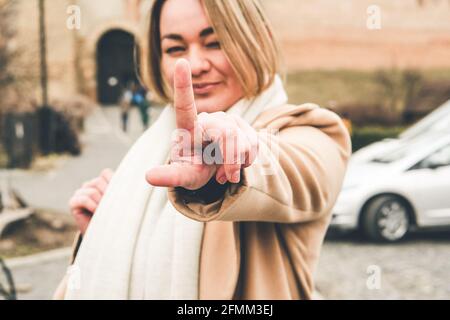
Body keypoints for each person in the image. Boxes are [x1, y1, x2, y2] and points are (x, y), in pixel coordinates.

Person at [54, 0, 351, 300]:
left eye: (215, 43)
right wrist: (105, 234)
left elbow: (291, 171)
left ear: (260, 40)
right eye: (175, 49)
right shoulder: (152, 150)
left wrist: (229, 162)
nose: (195, 65)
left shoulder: (309, 132)